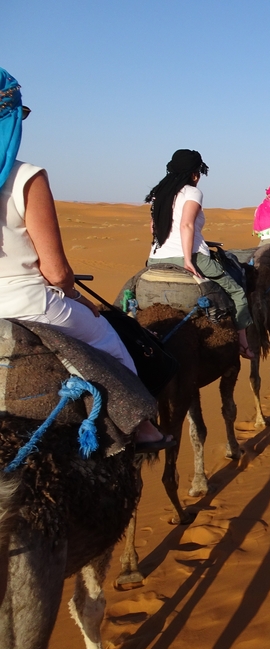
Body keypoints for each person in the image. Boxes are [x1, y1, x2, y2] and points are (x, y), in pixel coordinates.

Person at [0, 68, 172, 451]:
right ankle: (139, 425)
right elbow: (57, 272)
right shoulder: (26, 176)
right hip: (26, 301)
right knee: (111, 341)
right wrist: (77, 299)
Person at [145, 150, 255, 359]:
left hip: (156, 258)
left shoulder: (159, 193)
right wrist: (188, 259)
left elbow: (153, 228)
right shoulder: (192, 192)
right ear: (195, 173)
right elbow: (186, 225)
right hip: (190, 256)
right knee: (238, 292)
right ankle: (243, 344)